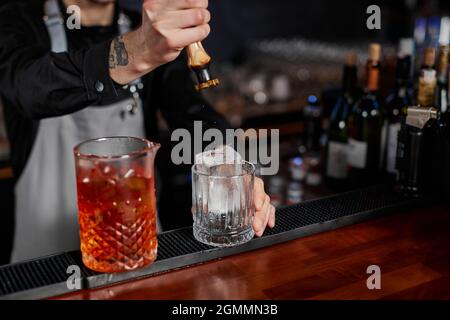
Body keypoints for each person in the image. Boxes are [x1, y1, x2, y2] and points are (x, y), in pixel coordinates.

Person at [0, 0, 275, 263]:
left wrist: (225, 163)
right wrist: (137, 52)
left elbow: (191, 112)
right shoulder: (18, 22)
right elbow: (30, 88)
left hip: (137, 252)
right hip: (43, 265)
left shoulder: (143, 28)